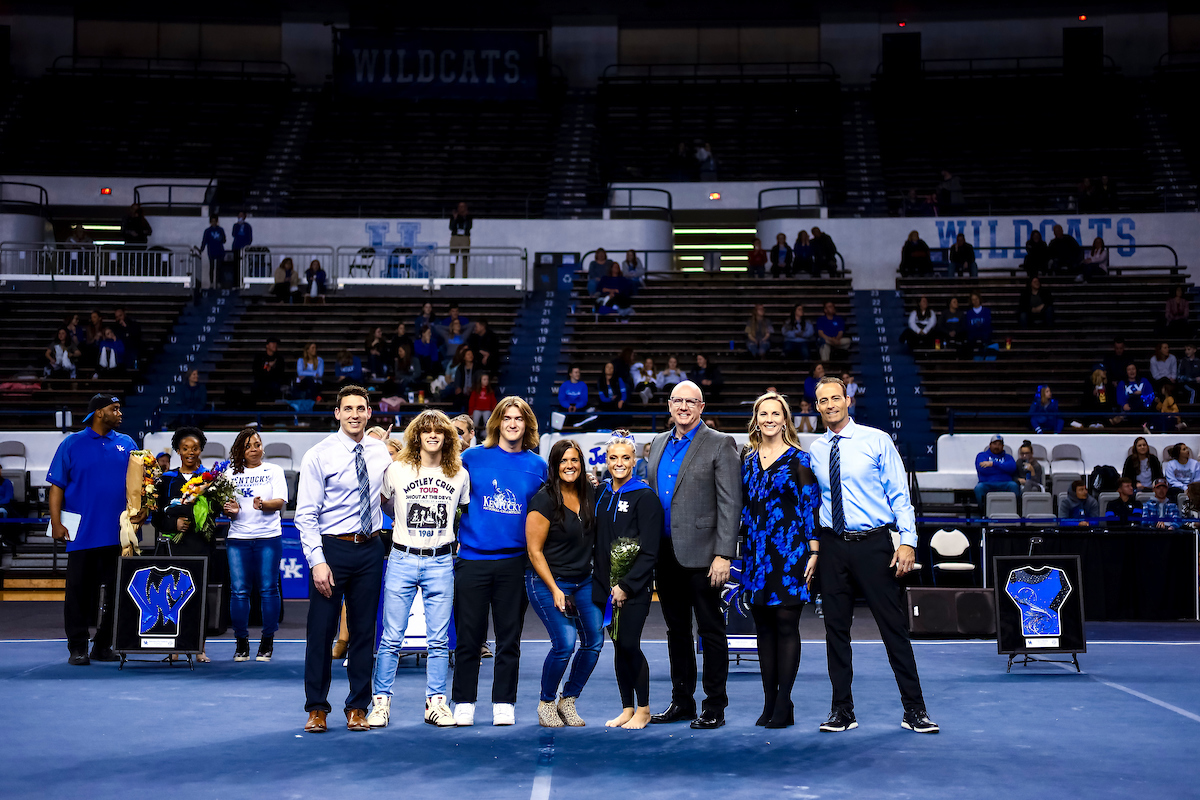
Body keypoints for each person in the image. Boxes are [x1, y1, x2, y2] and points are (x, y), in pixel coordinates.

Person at [810, 377, 937, 734]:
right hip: (833, 546)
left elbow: (900, 496)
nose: (830, 404)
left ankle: (915, 710)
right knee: (835, 631)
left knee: (893, 628)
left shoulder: (876, 440)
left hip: (874, 544)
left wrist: (908, 542)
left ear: (848, 400)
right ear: (817, 406)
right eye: (823, 400)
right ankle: (842, 712)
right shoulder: (816, 450)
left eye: (836, 397)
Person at [297, 385, 393, 734]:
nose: (354, 414)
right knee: (321, 633)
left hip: (371, 548)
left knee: (365, 632)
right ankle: (317, 708)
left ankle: (357, 707)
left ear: (370, 413)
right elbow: (306, 515)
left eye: (361, 408)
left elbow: (387, 500)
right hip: (332, 550)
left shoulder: (381, 452)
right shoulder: (318, 455)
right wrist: (317, 561)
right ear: (336, 413)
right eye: (347, 408)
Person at [646, 381, 740, 730]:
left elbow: (731, 503)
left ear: (702, 406)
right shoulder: (656, 444)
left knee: (711, 631)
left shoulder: (720, 443)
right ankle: (682, 701)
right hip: (665, 554)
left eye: (691, 401)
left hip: (704, 557)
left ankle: (715, 705)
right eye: (678, 401)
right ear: (669, 405)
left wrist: (723, 554)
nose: (684, 407)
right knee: (676, 632)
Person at [368, 410, 469, 729]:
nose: (433, 434)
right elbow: (383, 502)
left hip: (441, 561)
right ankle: (380, 702)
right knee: (391, 637)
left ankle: (435, 703)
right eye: (426, 429)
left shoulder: (459, 473)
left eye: (439, 429)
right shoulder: (397, 469)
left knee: (439, 640)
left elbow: (463, 511)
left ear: (448, 436)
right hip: (402, 558)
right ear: (416, 435)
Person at [452, 397, 548, 727]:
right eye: (506, 418)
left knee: (510, 638)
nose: (512, 423)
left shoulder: (537, 466)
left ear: (527, 425)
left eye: (518, 419)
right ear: (496, 422)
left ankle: (503, 702)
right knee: (468, 637)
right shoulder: (471, 458)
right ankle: (463, 700)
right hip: (472, 560)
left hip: (514, 563)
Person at [741, 392, 820, 729]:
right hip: (756, 555)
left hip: (790, 555)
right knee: (763, 630)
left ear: (785, 419)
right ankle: (770, 702)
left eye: (776, 413)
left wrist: (814, 551)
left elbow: (810, 506)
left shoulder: (800, 460)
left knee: (786, 627)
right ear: (756, 420)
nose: (770, 419)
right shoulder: (746, 459)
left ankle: (784, 702)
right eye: (764, 413)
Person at [47, 394, 136, 665]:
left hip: (118, 534)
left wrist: (140, 512)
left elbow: (138, 486)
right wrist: (56, 523)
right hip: (81, 533)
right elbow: (56, 486)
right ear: (98, 413)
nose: (120, 413)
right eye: (114, 409)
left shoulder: (128, 443)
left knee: (117, 591)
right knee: (78, 592)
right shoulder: (71, 443)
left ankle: (103, 645)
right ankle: (77, 646)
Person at [524, 439, 602, 728]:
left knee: (594, 642)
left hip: (583, 581)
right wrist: (556, 590)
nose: (570, 466)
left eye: (575, 460)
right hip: (548, 580)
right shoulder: (543, 500)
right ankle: (546, 703)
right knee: (565, 643)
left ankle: (567, 700)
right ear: (554, 466)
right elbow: (534, 551)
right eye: (563, 461)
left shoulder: (591, 492)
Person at [593, 430, 662, 729]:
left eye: (625, 458)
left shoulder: (645, 497)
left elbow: (650, 551)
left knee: (630, 644)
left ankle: (644, 710)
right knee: (618, 646)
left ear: (635, 460)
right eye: (613, 458)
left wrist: (626, 585)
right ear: (606, 461)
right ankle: (626, 708)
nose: (619, 463)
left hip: (633, 588)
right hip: (605, 587)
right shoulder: (601, 494)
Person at [224, 428, 288, 663]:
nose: (254, 449)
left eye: (258, 444)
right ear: (240, 448)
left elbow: (280, 502)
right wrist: (230, 511)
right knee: (239, 591)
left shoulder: (274, 470)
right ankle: (241, 642)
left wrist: (264, 505)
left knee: (268, 589)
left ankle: (267, 641)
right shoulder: (229, 474)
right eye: (249, 445)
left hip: (268, 538)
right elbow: (228, 507)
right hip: (238, 539)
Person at [151, 426, 214, 662]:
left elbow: (215, 511)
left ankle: (199, 647)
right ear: (178, 450)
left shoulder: (210, 479)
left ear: (201, 450)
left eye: (195, 448)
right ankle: (173, 646)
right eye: (185, 448)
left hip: (201, 545)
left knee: (199, 595)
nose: (190, 452)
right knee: (171, 595)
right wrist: (172, 524)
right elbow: (156, 517)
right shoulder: (166, 480)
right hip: (173, 547)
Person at [974, 434, 1020, 508]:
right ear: (990, 445)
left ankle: (1016, 511)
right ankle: (983, 513)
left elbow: (1012, 468)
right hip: (987, 483)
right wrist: (1003, 469)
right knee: (979, 488)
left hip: (1005, 483)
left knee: (1014, 485)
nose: (997, 446)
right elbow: (982, 470)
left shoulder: (1008, 457)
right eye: (995, 444)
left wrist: (993, 464)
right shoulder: (982, 455)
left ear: (1002, 446)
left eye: (999, 444)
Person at [200, 215, 226, 287]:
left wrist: (220, 238)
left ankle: (218, 282)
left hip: (219, 251)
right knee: (211, 267)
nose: (213, 223)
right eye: (212, 221)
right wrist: (201, 249)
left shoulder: (220, 230)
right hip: (211, 251)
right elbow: (204, 241)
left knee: (219, 268)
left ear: (217, 222)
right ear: (210, 222)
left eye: (215, 221)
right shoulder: (207, 231)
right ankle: (211, 282)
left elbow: (224, 240)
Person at [964, 292, 993, 358]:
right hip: (973, 336)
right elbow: (969, 326)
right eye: (973, 299)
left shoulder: (986, 311)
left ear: (979, 299)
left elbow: (987, 324)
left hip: (984, 335)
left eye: (976, 299)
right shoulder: (969, 313)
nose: (975, 301)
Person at [449, 201, 472, 277]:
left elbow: (469, 227)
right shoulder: (454, 216)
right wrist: (455, 218)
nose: (461, 209)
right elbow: (451, 227)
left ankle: (464, 277)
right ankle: (451, 277)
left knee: (465, 257)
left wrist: (465, 217)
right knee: (453, 257)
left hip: (464, 237)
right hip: (455, 237)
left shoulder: (468, 217)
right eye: (460, 207)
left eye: (463, 207)